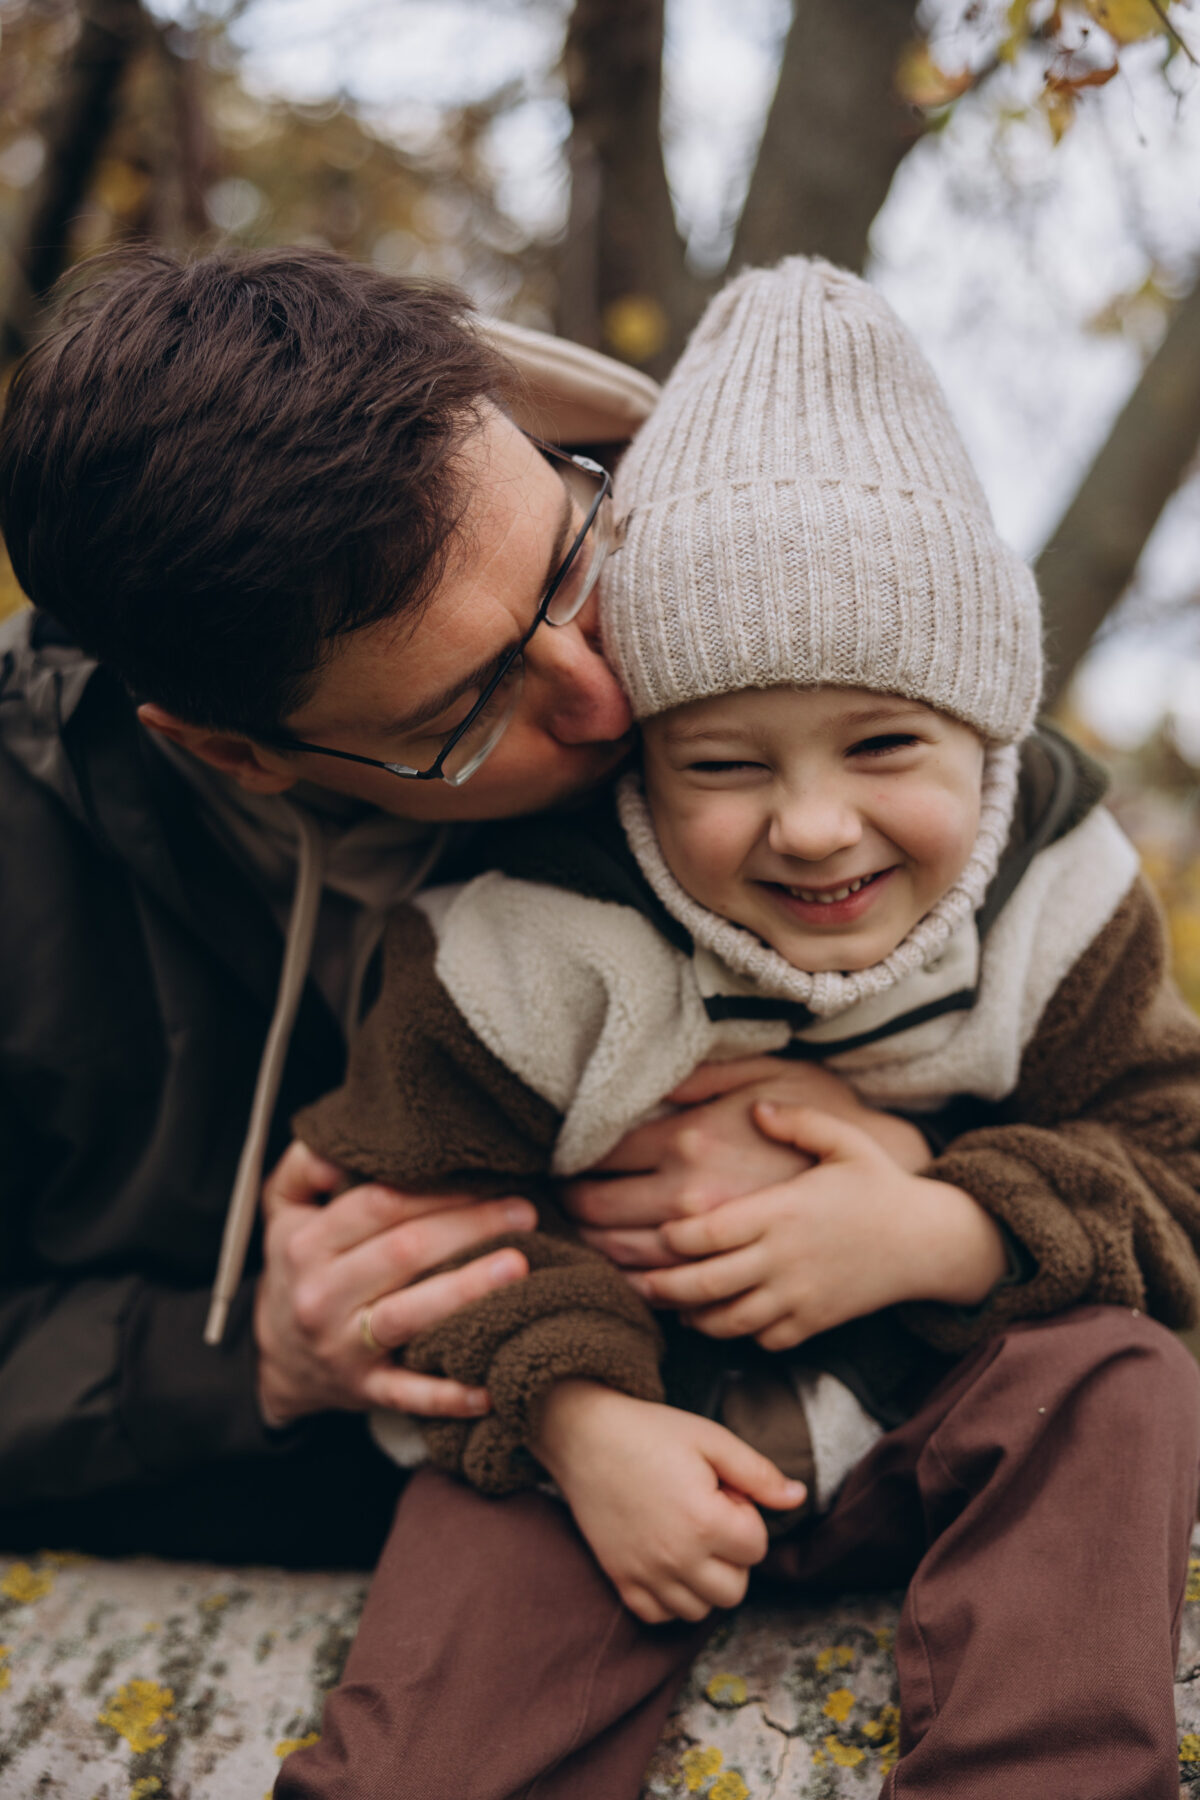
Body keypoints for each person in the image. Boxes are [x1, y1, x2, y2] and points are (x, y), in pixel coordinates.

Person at [276, 260, 1200, 1800]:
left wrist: (943, 1225)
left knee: (1114, 1375)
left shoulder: (1060, 895)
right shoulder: (534, 932)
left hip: (930, 1410)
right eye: (725, 765)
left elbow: (1174, 1159)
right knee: (428, 1755)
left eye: (885, 744)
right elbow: (418, 1214)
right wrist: (582, 1425)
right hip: (612, 1454)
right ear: (644, 757)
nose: (815, 825)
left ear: (986, 729)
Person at [0, 248, 885, 1569]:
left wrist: (902, 1144)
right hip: (285, 1557)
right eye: (469, 710)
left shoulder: (755, 582)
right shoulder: (29, 853)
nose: (605, 700)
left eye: (571, 560)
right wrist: (244, 1359)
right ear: (232, 750)